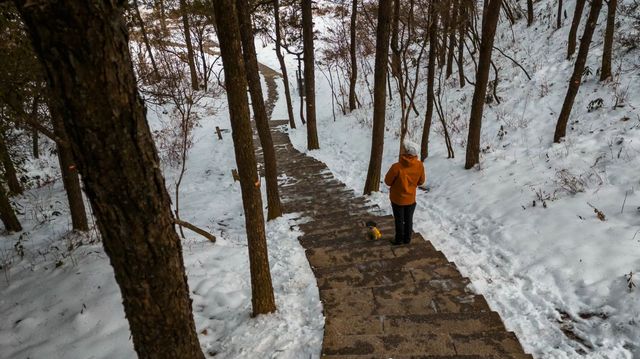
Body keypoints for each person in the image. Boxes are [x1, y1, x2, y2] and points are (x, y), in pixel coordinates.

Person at [384, 140, 425, 245]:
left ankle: (398, 239)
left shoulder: (396, 167)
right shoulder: (420, 165)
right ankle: (407, 239)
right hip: (411, 198)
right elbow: (421, 181)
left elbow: (387, 182)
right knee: (408, 219)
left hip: (397, 199)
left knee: (399, 220)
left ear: (406, 152)